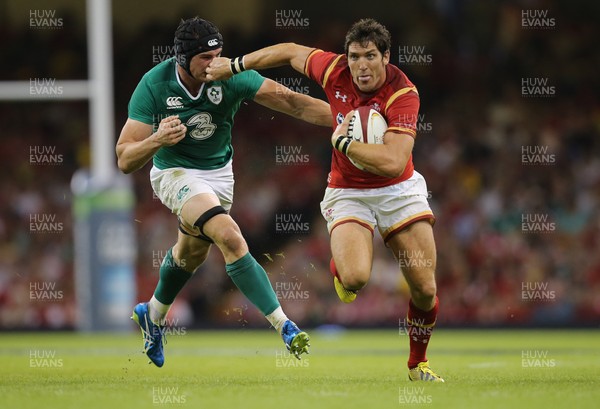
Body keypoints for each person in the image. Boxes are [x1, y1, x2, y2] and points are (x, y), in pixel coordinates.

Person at [207, 18, 444, 382]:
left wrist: (345, 143)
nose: (361, 65)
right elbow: (288, 52)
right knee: (354, 279)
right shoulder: (335, 70)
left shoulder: (403, 94)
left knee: (425, 288)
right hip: (349, 191)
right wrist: (237, 65)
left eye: (369, 56)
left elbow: (394, 161)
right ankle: (342, 271)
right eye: (354, 56)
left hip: (398, 189)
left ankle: (417, 364)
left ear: (386, 57)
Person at [116, 17, 331, 367]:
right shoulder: (154, 84)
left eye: (219, 54)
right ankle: (285, 325)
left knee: (190, 254)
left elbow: (292, 102)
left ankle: (152, 315)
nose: (215, 63)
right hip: (174, 172)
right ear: (183, 59)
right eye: (205, 57)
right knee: (230, 237)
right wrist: (157, 139)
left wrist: (346, 118)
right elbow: (125, 158)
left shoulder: (229, 75)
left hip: (219, 175)